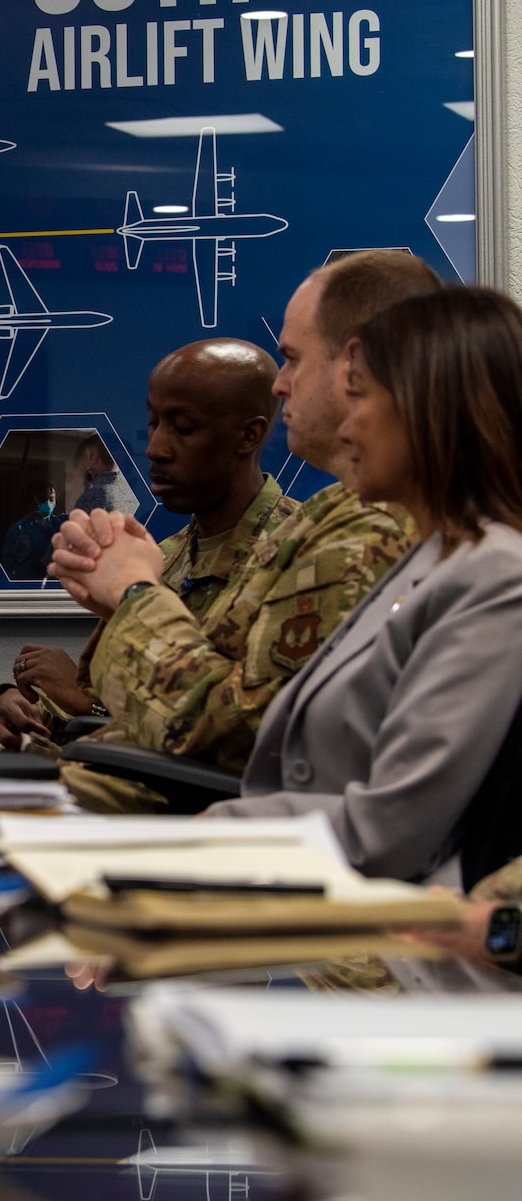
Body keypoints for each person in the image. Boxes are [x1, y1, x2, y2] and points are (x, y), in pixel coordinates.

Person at [50, 251, 437, 788]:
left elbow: (235, 738)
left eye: (294, 359)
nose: (281, 385)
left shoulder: (372, 530)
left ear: (358, 367)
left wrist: (136, 593)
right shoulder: (336, 512)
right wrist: (113, 595)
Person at [187, 287, 522, 880]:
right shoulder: (434, 556)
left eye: (360, 392)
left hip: (397, 936)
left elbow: (389, 832)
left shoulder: (495, 574)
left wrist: (208, 836)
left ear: (431, 410)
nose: (347, 423)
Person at [0, 339, 297, 763]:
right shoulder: (160, 558)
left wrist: (83, 704)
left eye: (183, 428)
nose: (155, 448)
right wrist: (23, 709)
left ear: (249, 436)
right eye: (154, 424)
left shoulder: (298, 551)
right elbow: (107, 709)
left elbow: (251, 741)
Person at [71, 434, 136, 514]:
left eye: (85, 455)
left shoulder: (89, 499)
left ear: (94, 457)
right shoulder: (132, 495)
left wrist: (89, 494)